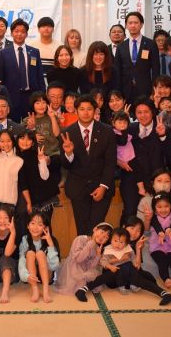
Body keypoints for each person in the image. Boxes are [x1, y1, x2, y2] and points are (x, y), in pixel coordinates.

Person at [60, 95, 116, 236]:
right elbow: (65, 165)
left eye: (89, 109)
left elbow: (110, 162)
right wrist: (69, 153)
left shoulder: (107, 131)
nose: (85, 112)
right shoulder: (67, 132)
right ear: (76, 111)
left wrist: (103, 186)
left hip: (101, 186)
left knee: (97, 230)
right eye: (82, 109)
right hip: (78, 188)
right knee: (82, 230)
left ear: (95, 110)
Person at [76, 228, 171, 305]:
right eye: (115, 241)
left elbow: (135, 263)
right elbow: (102, 261)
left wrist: (137, 251)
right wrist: (110, 266)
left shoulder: (128, 249)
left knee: (141, 280)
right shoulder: (108, 249)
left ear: (126, 243)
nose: (118, 244)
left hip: (130, 273)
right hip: (115, 274)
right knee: (104, 277)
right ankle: (83, 290)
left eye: (121, 242)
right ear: (111, 240)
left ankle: (165, 294)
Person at [136, 169, 171, 280]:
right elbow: (144, 231)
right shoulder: (145, 201)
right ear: (153, 183)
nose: (163, 184)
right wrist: (147, 219)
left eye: (167, 181)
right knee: (151, 270)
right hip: (152, 242)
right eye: (159, 180)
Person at [0, 18, 45, 120]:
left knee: (31, 124)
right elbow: (1, 77)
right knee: (13, 125)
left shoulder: (34, 52)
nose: (19, 34)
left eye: (23, 32)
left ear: (26, 34)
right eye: (16, 31)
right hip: (11, 96)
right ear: (11, 33)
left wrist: (42, 95)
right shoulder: (4, 53)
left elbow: (39, 75)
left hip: (31, 96)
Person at [17, 129, 61, 226]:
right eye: (22, 138)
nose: (25, 142)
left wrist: (42, 161)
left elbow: (45, 176)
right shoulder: (17, 158)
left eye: (29, 139)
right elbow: (23, 183)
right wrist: (28, 202)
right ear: (17, 140)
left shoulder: (38, 153)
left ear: (33, 142)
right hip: (32, 200)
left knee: (44, 227)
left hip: (46, 198)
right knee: (34, 228)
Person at [54, 222, 111, 296]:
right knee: (77, 284)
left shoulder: (97, 248)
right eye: (102, 232)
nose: (101, 237)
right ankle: (83, 285)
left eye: (105, 237)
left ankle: (84, 284)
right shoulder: (80, 239)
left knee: (97, 285)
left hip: (85, 268)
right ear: (95, 229)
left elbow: (91, 266)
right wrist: (90, 244)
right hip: (74, 266)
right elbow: (78, 259)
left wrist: (98, 255)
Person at [115, 12, 159, 103]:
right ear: (126, 25)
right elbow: (117, 70)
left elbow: (156, 69)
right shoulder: (121, 46)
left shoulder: (151, 44)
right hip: (126, 90)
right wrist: (118, 92)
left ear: (141, 24)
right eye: (130, 23)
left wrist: (154, 90)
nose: (133, 25)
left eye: (136, 23)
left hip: (146, 89)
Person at [112, 111, 146, 225]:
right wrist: (124, 131)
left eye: (125, 123)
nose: (122, 125)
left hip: (132, 158)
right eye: (119, 122)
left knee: (138, 169)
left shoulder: (129, 130)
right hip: (124, 160)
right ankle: (124, 228)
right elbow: (122, 142)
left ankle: (141, 187)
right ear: (113, 123)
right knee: (129, 210)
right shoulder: (114, 133)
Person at [18, 212, 60, 303]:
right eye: (32, 223)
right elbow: (21, 260)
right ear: (28, 226)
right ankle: (35, 289)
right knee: (30, 253)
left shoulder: (51, 240)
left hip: (47, 275)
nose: (35, 227)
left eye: (40, 224)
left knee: (40, 254)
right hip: (31, 277)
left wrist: (50, 244)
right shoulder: (25, 240)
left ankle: (45, 290)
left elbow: (54, 266)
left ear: (45, 228)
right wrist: (25, 276)